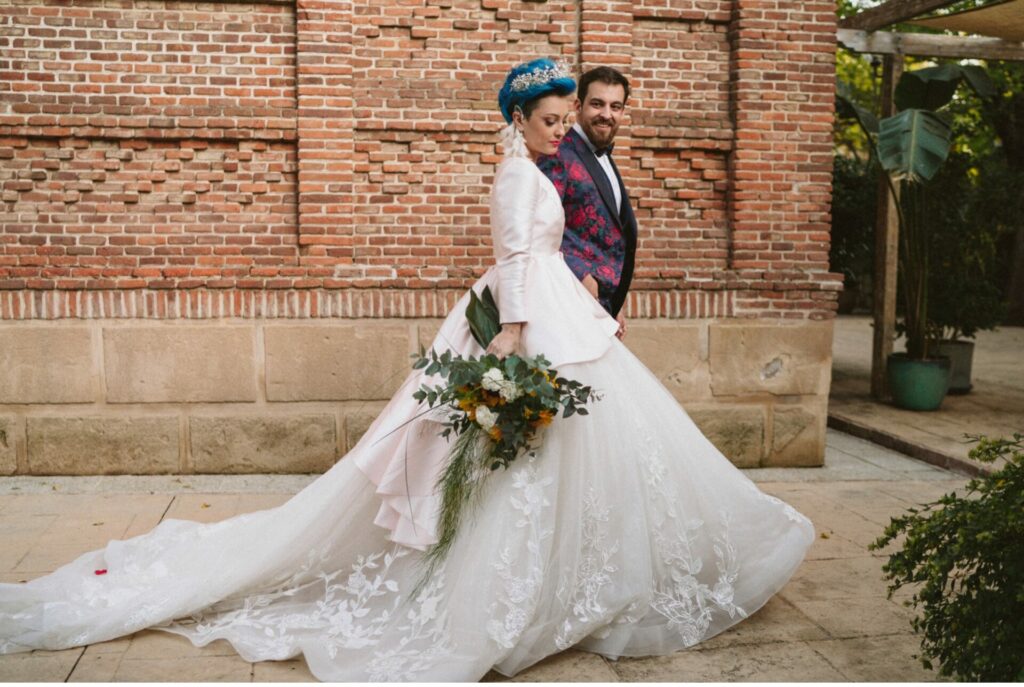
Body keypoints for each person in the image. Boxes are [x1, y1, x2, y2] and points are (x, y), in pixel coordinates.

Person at [0, 59, 814, 682]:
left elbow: (550, 255)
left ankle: (573, 582)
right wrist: (514, 341)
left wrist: (589, 308)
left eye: (569, 119)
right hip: (519, 323)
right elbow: (513, 261)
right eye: (553, 119)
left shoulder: (539, 169)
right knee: (519, 453)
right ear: (519, 120)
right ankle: (503, 593)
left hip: (561, 310)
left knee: (581, 451)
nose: (564, 130)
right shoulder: (515, 176)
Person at [538, 66, 637, 340]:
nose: (607, 114)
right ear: (578, 106)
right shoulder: (557, 155)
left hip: (602, 304)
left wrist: (615, 301)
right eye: (597, 104)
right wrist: (581, 274)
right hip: (571, 301)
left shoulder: (602, 156)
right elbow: (541, 229)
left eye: (616, 106)